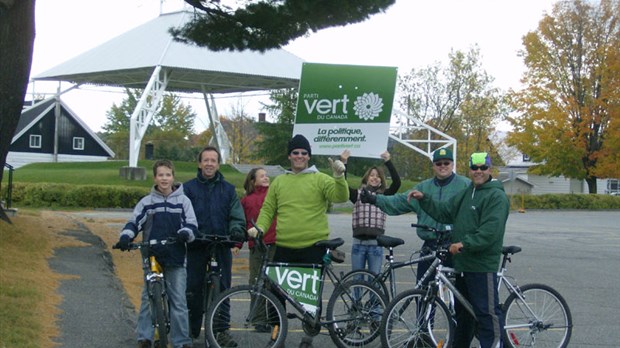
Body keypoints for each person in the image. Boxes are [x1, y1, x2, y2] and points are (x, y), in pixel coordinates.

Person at [247, 134, 349, 348]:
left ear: (309, 156)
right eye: (296, 153)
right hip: (284, 247)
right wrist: (260, 228)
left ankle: (309, 337)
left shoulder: (320, 178)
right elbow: (268, 210)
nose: (300, 156)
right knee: (277, 298)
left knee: (311, 298)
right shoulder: (280, 181)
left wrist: (339, 177)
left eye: (304, 153)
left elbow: (340, 197)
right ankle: (277, 338)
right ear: (289, 156)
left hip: (313, 246)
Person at [407, 152, 510, 348]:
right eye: (474, 168)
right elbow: (445, 211)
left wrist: (463, 244)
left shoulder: (496, 196)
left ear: (490, 169)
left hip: (481, 265)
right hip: (463, 264)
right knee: (465, 314)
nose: (478, 172)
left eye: (483, 168)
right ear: (469, 169)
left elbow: (489, 232)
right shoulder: (468, 191)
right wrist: (424, 198)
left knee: (486, 314)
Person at [117, 159, 197, 348]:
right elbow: (134, 222)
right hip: (152, 254)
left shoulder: (183, 201)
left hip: (176, 255)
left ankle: (181, 341)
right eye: (160, 175)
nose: (164, 178)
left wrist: (186, 233)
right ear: (155, 177)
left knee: (178, 299)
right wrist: (126, 236)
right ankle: (145, 337)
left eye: (168, 175)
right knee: (147, 298)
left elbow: (192, 224)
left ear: (173, 177)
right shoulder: (147, 202)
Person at [360, 148, 470, 286]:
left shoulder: (465, 185)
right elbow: (399, 201)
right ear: (433, 166)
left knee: (460, 295)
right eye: (438, 163)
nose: (442, 166)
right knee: (423, 294)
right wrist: (374, 199)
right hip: (431, 246)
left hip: (455, 247)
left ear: (452, 164)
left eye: (446, 163)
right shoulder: (423, 187)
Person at [183, 146, 246, 346]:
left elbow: (236, 214)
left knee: (223, 289)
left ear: (218, 164)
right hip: (197, 245)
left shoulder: (228, 189)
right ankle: (192, 329)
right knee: (193, 289)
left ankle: (221, 331)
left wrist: (236, 230)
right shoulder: (188, 188)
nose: (209, 164)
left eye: (213, 160)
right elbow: (181, 214)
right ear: (199, 163)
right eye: (206, 160)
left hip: (221, 244)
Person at [339, 149, 401, 277]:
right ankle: (357, 298)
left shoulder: (384, 195)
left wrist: (388, 161)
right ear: (366, 178)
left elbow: (397, 183)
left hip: (376, 245)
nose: (375, 178)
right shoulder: (357, 194)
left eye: (378, 176)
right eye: (372, 175)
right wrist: (344, 163)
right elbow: (343, 184)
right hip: (358, 245)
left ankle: (375, 298)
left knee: (375, 280)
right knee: (356, 279)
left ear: (381, 180)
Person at [240, 167, 277, 333]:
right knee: (256, 282)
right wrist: (237, 244)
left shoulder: (275, 195)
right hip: (257, 246)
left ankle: (275, 318)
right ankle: (259, 319)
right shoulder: (246, 200)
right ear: (253, 181)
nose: (266, 178)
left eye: (266, 175)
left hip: (275, 244)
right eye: (262, 176)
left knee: (275, 284)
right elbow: (242, 224)